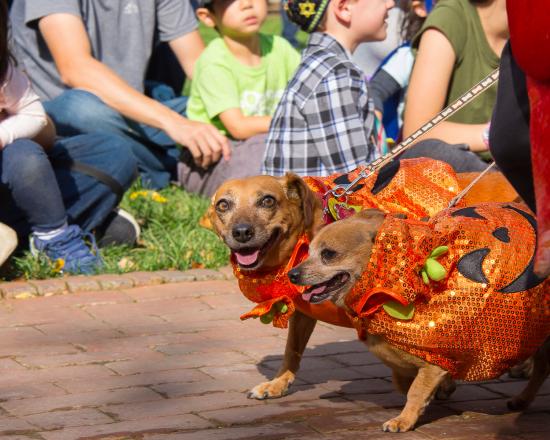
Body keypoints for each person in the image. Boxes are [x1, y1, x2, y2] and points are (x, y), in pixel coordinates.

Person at [10, 0, 230, 190]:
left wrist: (236, 109)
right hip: (67, 117)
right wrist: (176, 124)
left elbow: (198, 66)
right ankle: (175, 163)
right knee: (80, 108)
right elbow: (76, 69)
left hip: (138, 111)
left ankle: (154, 163)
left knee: (213, 108)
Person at [0, 1, 137, 274]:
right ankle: (61, 234)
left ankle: (47, 235)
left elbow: (35, 116)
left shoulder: (4, 72)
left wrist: (5, 134)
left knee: (113, 153)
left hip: (15, 175)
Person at [262, 0, 395, 177]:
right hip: (325, 203)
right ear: (344, 8)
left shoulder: (326, 64)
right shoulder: (334, 74)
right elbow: (354, 179)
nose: (391, 4)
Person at [400, 0, 508, 171]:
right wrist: (495, 135)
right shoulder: (452, 16)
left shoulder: (536, 33)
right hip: (454, 175)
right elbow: (416, 133)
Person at [186, 0, 300, 140]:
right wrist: (298, 122)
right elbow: (238, 128)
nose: (247, 4)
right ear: (208, 17)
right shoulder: (214, 62)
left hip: (268, 135)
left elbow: (312, 89)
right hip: (222, 147)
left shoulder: (280, 48)